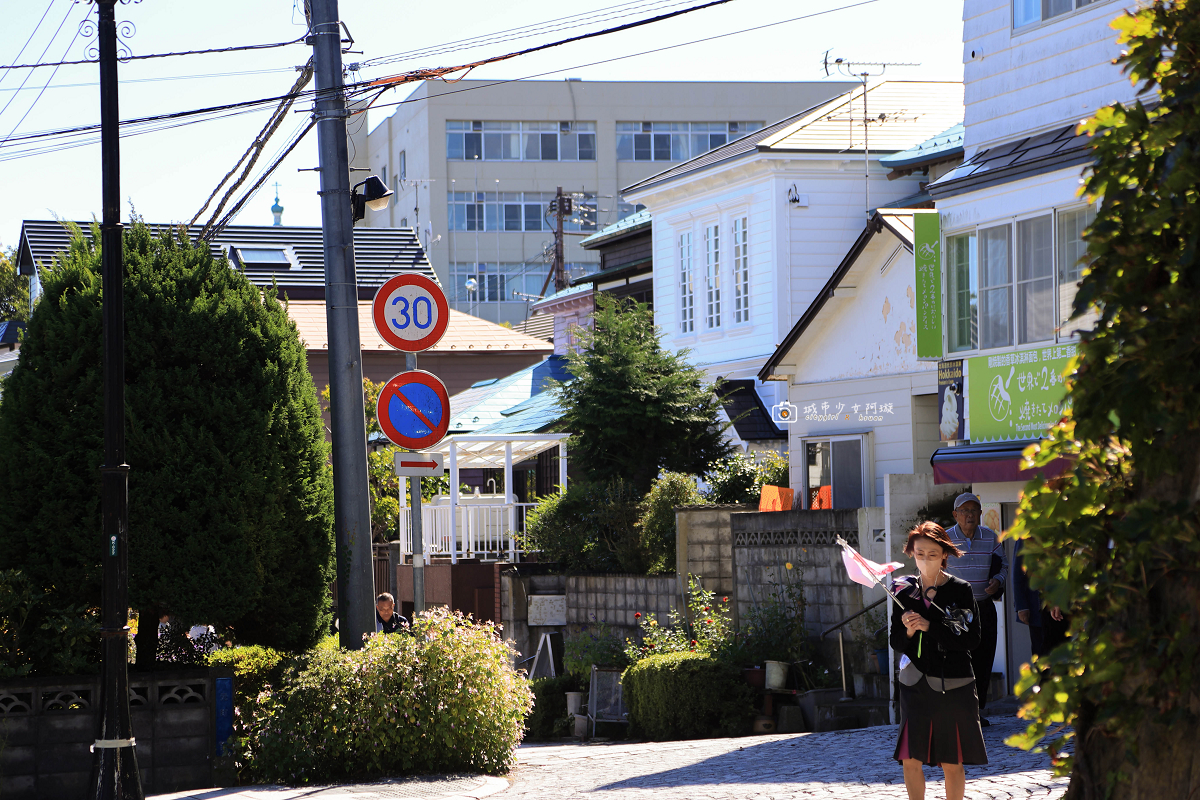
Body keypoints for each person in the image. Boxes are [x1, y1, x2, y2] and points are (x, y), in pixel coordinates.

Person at [892, 521, 987, 800]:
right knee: (910, 758)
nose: (925, 559)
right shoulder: (903, 589)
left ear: (944, 554)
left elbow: (971, 639)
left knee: (951, 760)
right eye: (919, 553)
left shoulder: (960, 589)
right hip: (914, 682)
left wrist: (929, 626)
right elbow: (896, 641)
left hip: (953, 683)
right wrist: (909, 630)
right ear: (911, 553)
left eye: (932, 554)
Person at [944, 492, 1008, 725]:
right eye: (964, 511)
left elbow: (1004, 566)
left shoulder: (990, 537)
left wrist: (997, 581)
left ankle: (976, 711)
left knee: (984, 659)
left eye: (973, 511)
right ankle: (959, 710)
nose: (969, 515)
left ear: (980, 513)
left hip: (984, 607)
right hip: (956, 610)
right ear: (955, 514)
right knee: (959, 660)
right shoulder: (944, 539)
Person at [1012, 539, 1069, 657]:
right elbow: (1018, 570)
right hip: (1038, 607)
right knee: (1042, 653)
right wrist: (1021, 605)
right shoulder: (1028, 534)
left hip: (1066, 605)